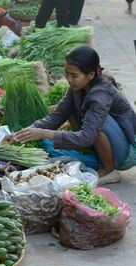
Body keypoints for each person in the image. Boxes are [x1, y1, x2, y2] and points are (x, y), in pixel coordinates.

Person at [8, 46, 136, 185]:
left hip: (127, 152)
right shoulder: (77, 87)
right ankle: (99, 156)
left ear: (91, 75)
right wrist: (23, 133)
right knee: (70, 110)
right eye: (67, 73)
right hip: (109, 142)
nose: (69, 79)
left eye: (74, 75)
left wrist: (44, 133)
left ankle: (109, 170)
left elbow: (87, 136)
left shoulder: (101, 94)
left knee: (98, 121)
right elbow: (57, 116)